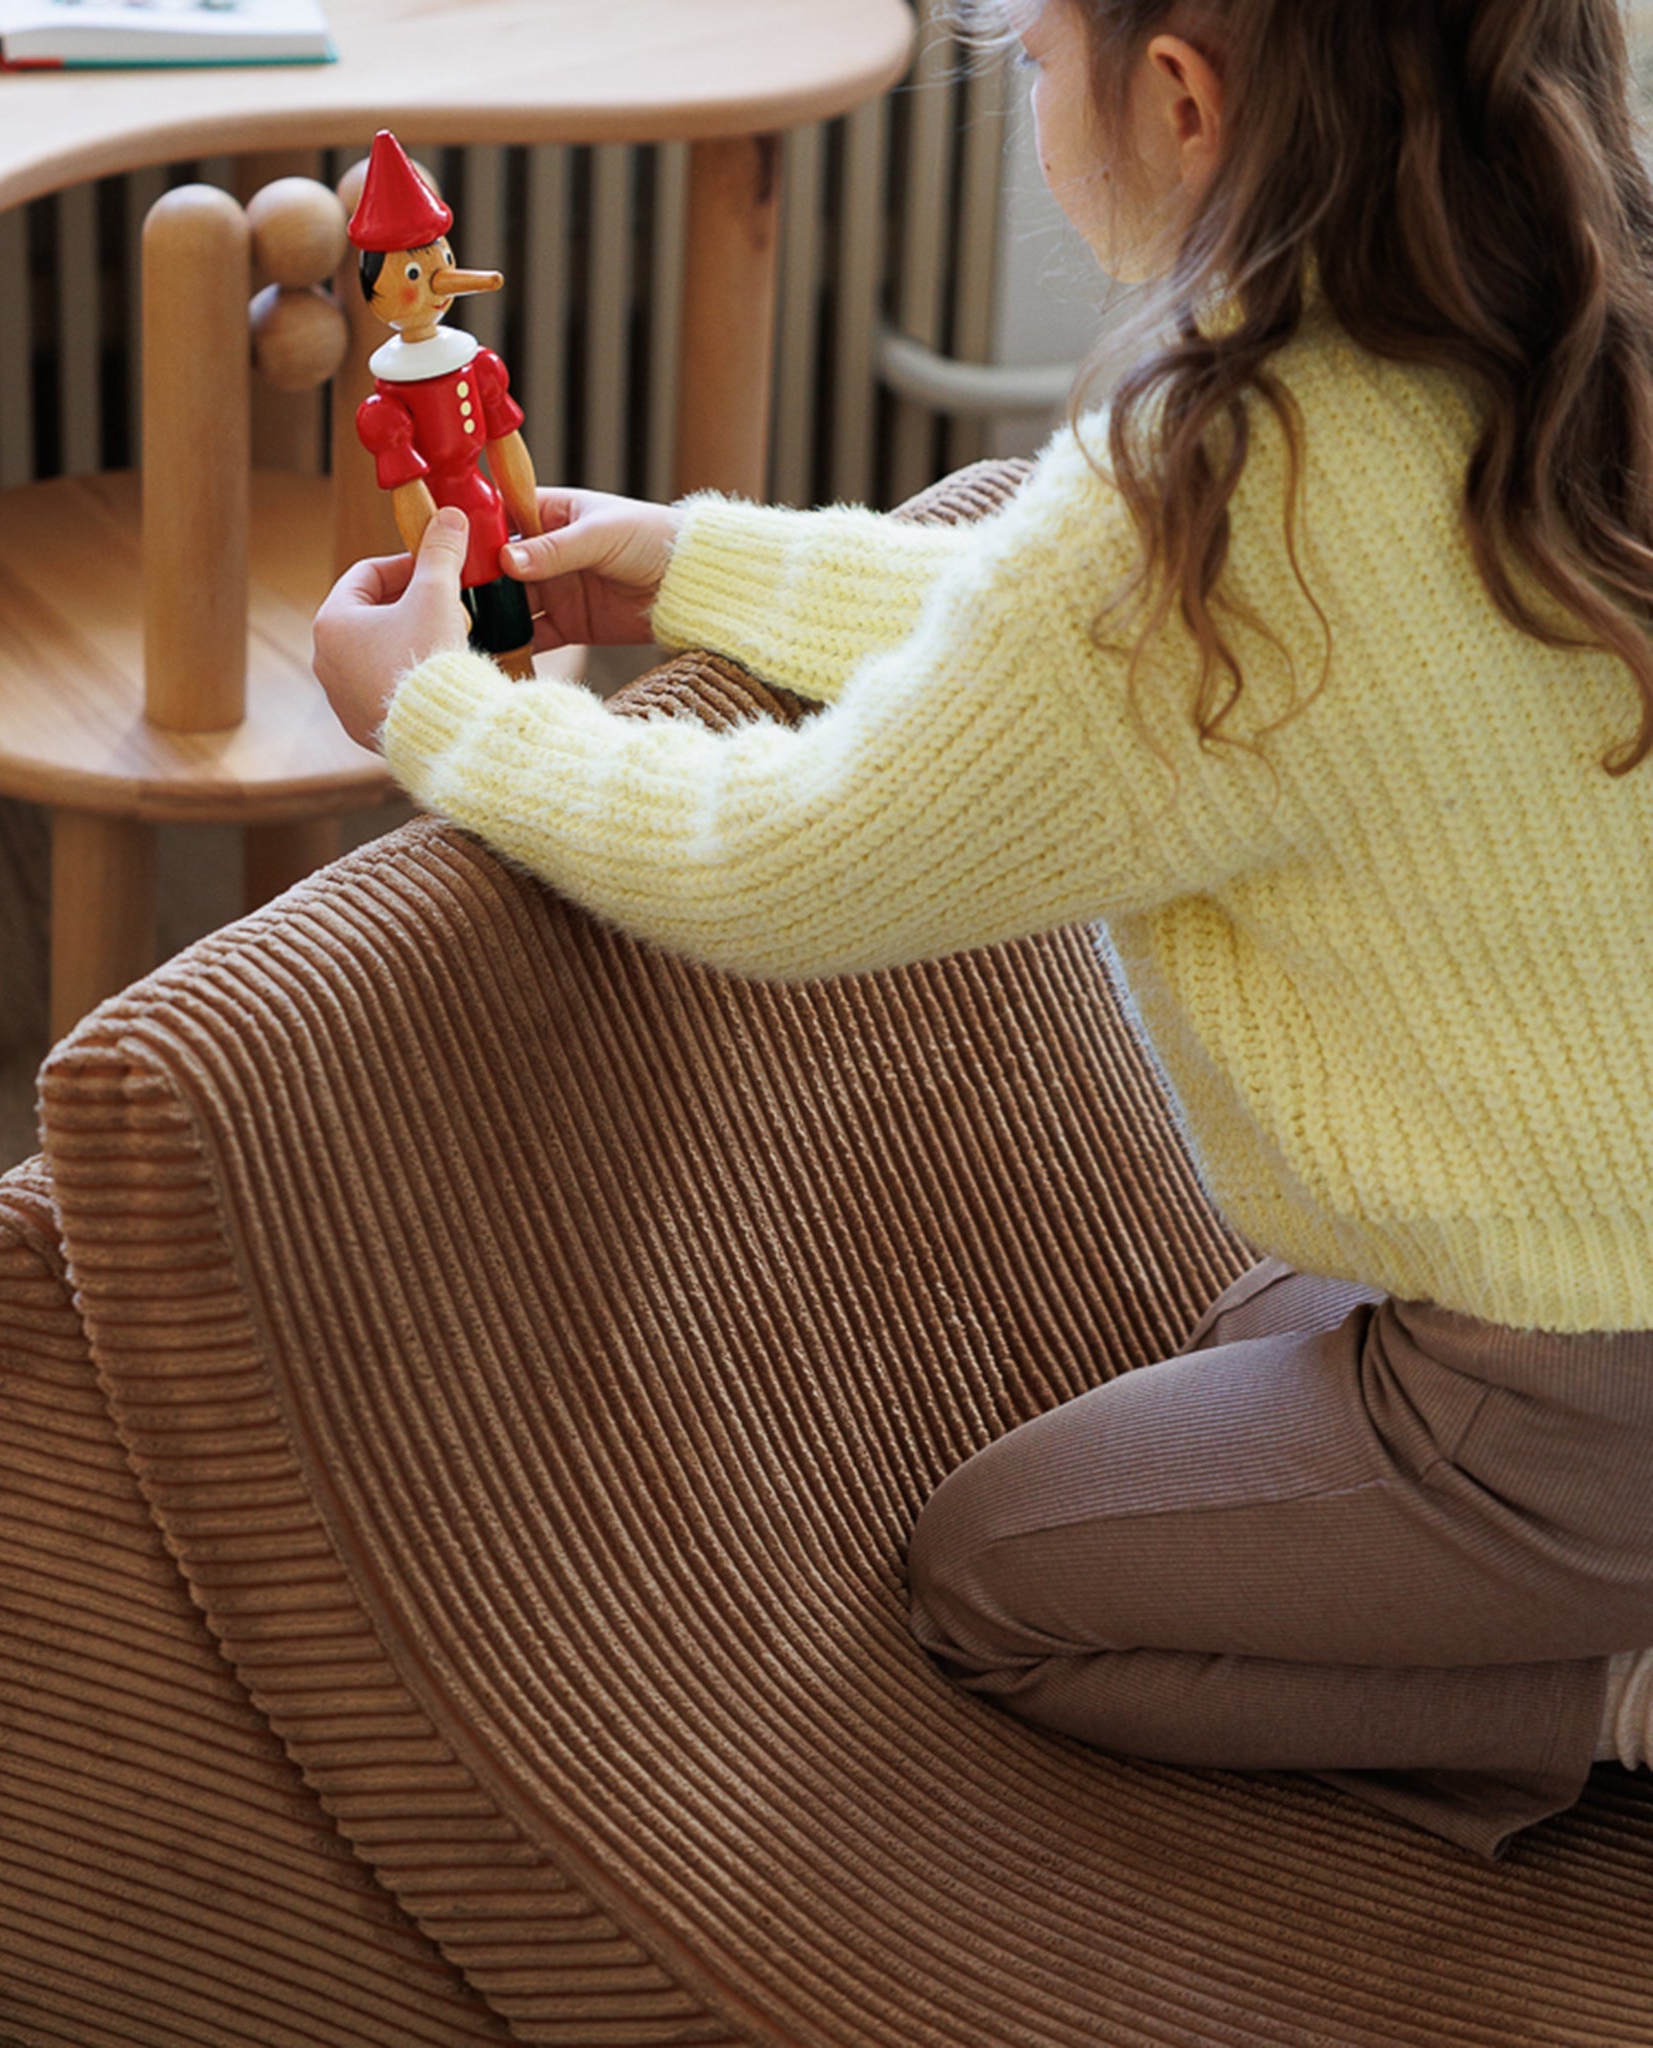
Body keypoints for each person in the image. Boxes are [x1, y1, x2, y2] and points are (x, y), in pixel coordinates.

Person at [311, 0, 1653, 1861]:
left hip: (1581, 1390)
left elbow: (785, 861)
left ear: (1179, 97)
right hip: (1592, 1315)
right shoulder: (1565, 332)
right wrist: (686, 558)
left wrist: (442, 718)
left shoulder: (1218, 482)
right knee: (1253, 1324)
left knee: (991, 1583)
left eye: (1030, 57)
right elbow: (1059, 656)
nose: (1030, 91)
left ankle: (1615, 1688)